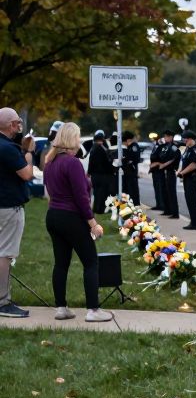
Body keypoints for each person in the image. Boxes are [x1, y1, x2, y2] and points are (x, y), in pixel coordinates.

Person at [42, 122, 113, 322]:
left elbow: (50, 193)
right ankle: (93, 310)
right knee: (91, 262)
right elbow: (81, 197)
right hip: (71, 216)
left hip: (53, 215)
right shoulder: (72, 163)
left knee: (61, 263)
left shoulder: (50, 162)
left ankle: (61, 307)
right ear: (72, 139)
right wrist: (93, 224)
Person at [0, 107, 33, 318]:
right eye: (18, 123)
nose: (20, 126)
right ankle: (3, 301)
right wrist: (28, 153)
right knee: (5, 254)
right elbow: (27, 174)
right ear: (11, 124)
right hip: (9, 208)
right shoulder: (8, 148)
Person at [177, 131, 196, 229]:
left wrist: (182, 173)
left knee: (193, 201)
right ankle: (193, 222)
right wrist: (180, 171)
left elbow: (194, 165)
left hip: (193, 178)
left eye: (185, 139)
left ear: (190, 139)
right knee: (189, 200)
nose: (184, 141)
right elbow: (184, 162)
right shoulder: (188, 149)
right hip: (187, 178)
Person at [87, 129, 115, 213]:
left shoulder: (93, 149)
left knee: (96, 193)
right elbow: (107, 162)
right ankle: (100, 209)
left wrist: (89, 172)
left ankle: (96, 208)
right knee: (102, 193)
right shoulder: (102, 149)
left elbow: (90, 162)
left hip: (95, 175)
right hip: (102, 175)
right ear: (102, 139)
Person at [158, 130, 180, 219]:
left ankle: (175, 213)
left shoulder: (174, 147)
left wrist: (164, 164)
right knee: (165, 192)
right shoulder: (166, 146)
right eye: (164, 136)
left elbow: (174, 158)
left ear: (171, 137)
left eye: (166, 136)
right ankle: (167, 210)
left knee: (171, 193)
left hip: (171, 171)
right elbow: (161, 156)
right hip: (165, 171)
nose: (165, 138)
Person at [120, 130, 141, 206]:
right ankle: (128, 203)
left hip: (132, 171)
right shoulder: (127, 147)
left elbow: (135, 159)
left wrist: (128, 160)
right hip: (126, 172)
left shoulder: (134, 146)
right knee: (127, 189)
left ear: (128, 139)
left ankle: (135, 204)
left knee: (133, 189)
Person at [149, 133, 166, 211]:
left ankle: (162, 204)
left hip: (160, 170)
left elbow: (162, 159)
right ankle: (158, 204)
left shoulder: (162, 148)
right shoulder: (155, 147)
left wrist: (156, 163)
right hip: (154, 170)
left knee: (160, 188)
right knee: (156, 187)